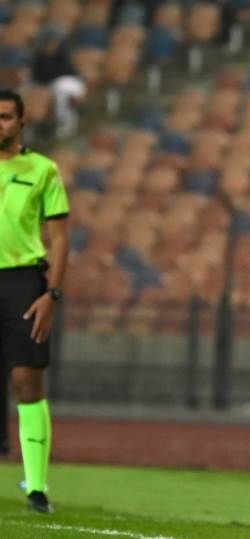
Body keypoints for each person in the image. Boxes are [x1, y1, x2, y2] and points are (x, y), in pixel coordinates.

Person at [0, 88, 70, 513]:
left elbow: (60, 239)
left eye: (6, 117)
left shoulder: (43, 169)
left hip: (22, 281)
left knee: (27, 379)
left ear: (22, 121)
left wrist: (52, 294)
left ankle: (37, 487)